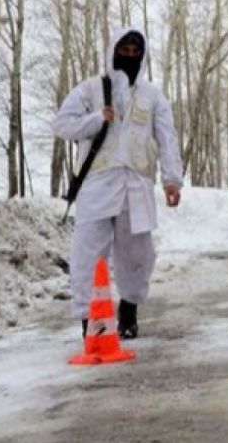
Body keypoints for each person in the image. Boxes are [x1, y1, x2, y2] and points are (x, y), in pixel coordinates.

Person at [53, 27, 183, 340]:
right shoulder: (90, 89)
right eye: (124, 49)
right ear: (113, 51)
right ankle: (91, 322)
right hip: (97, 185)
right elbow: (62, 125)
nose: (129, 55)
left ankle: (128, 313)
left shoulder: (152, 96)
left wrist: (171, 179)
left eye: (135, 50)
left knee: (138, 255)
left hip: (135, 186)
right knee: (88, 255)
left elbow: (167, 138)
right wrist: (97, 118)